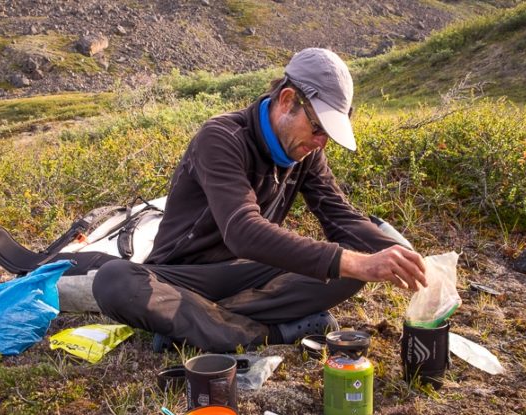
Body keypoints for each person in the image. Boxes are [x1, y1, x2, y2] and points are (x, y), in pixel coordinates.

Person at [92, 47, 428, 353]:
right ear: (286, 100)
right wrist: (354, 261)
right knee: (114, 281)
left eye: (328, 134)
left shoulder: (305, 153)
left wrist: (413, 261)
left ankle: (197, 324)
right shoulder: (222, 137)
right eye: (317, 128)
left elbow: (342, 218)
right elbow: (242, 230)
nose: (321, 142)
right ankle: (271, 333)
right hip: (184, 276)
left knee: (353, 270)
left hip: (245, 276)